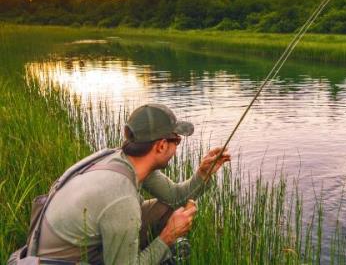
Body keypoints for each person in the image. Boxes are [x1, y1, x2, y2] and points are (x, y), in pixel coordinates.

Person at [34, 103, 230, 264]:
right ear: (161, 145)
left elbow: (175, 197)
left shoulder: (124, 159)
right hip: (62, 260)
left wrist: (203, 174)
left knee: (165, 208)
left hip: (75, 242)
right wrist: (168, 236)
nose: (177, 147)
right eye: (176, 141)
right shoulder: (121, 198)